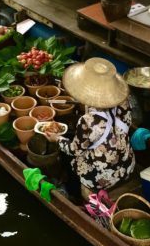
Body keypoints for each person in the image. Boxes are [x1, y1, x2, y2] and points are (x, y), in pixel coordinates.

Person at [45, 58, 135, 195]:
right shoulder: (124, 102)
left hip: (101, 178)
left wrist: (56, 138)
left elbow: (74, 150)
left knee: (72, 157)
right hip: (126, 166)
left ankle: (77, 192)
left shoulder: (87, 121)